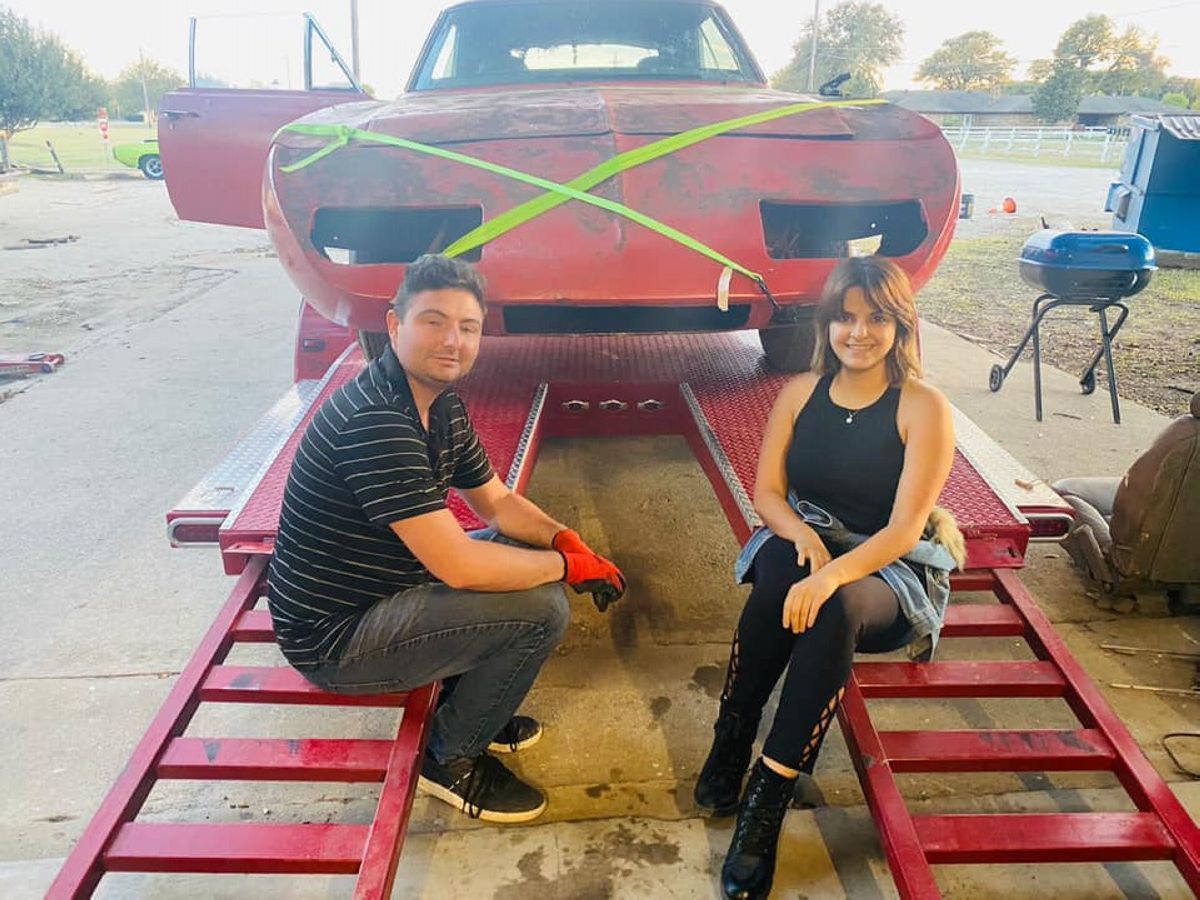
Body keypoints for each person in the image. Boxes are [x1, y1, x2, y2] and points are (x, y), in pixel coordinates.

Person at [267, 254, 626, 824]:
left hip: (387, 583)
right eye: (433, 321)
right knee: (540, 608)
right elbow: (459, 566)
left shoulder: (438, 403)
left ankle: (477, 705)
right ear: (393, 325)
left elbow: (499, 502)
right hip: (335, 637)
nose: (452, 340)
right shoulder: (378, 420)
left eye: (468, 327)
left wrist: (562, 539)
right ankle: (451, 758)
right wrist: (565, 570)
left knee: (526, 556)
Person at [694, 256, 963, 899]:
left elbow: (903, 532)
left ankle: (767, 795)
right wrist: (803, 536)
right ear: (827, 324)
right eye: (845, 317)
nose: (858, 332)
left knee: (830, 604)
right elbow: (766, 493)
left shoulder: (921, 406)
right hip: (809, 536)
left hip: (888, 570)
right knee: (783, 566)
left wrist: (829, 574)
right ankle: (732, 735)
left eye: (876, 318)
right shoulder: (800, 393)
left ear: (900, 325)